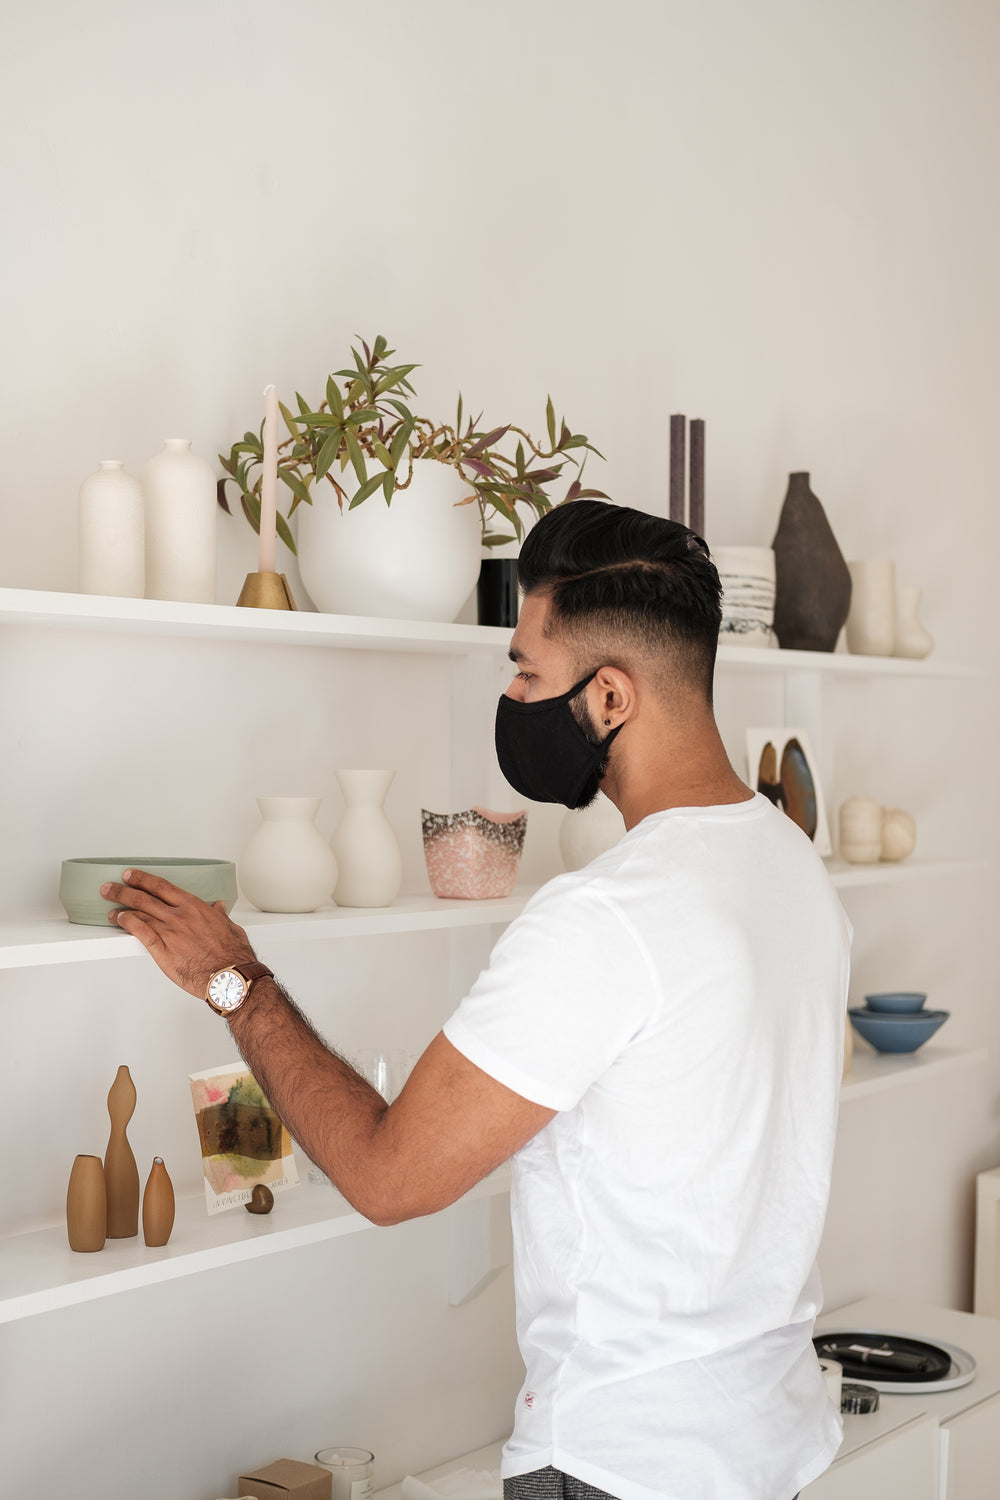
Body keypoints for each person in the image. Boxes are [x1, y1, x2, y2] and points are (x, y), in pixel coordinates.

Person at [104, 499, 850, 1500]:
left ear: (612, 697)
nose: (512, 694)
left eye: (528, 672)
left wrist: (235, 982)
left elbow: (387, 1178)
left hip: (625, 1465)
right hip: (771, 1445)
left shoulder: (604, 919)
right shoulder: (790, 865)